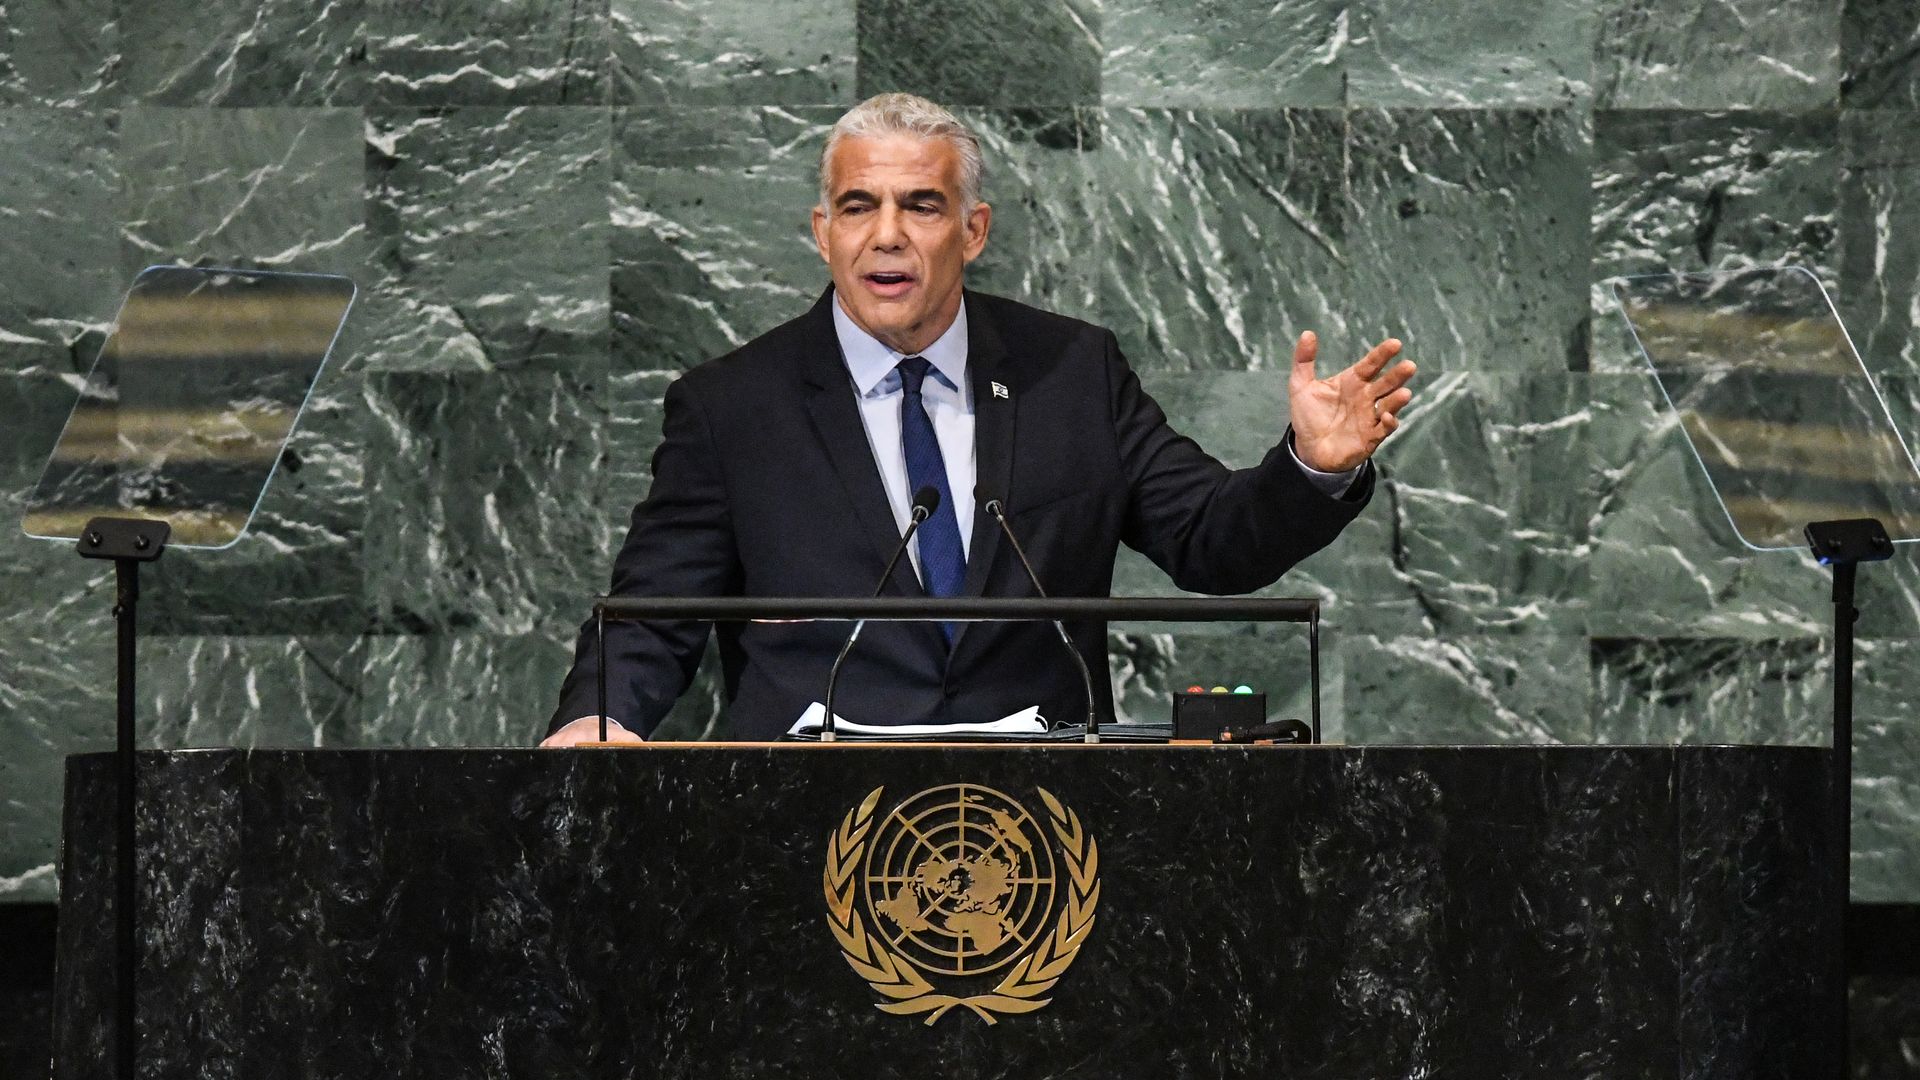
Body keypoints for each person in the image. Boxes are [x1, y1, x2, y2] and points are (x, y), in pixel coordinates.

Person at [543, 93, 1414, 746]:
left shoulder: (1072, 373)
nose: (887, 235)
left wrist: (1313, 465)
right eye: (859, 206)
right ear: (822, 232)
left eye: (921, 205)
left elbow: (1213, 542)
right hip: (800, 831)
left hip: (1049, 832)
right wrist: (597, 718)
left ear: (974, 230)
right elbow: (652, 616)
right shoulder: (733, 405)